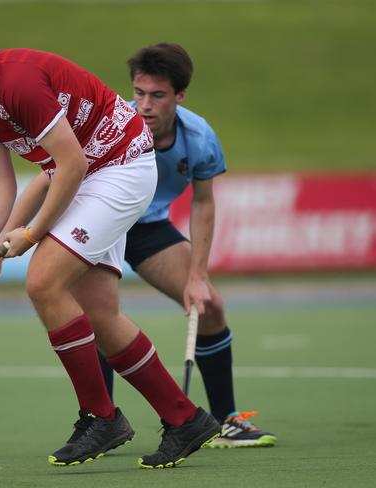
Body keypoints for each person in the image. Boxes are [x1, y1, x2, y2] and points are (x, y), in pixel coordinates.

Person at [0, 12, 220, 469]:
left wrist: (30, 234)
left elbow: (70, 165)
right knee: (101, 314)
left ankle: (101, 417)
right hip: (88, 176)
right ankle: (184, 418)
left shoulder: (17, 81)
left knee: (44, 281)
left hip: (120, 166)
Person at [98, 42, 276, 448]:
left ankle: (225, 421)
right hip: (100, 225)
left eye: (157, 95)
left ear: (180, 95)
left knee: (209, 305)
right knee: (96, 315)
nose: (144, 105)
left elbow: (203, 201)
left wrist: (197, 276)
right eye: (139, 93)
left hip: (146, 228)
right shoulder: (112, 126)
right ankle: (102, 423)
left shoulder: (198, 136)